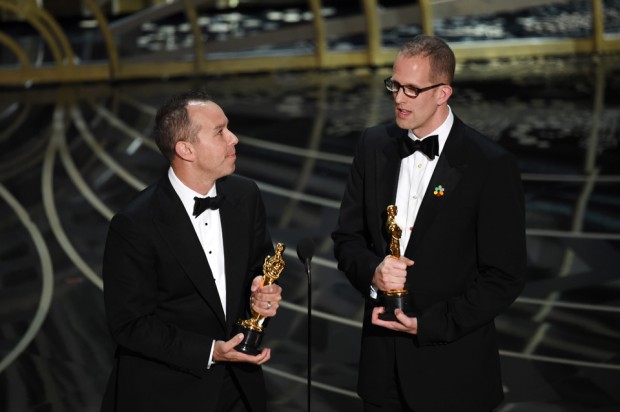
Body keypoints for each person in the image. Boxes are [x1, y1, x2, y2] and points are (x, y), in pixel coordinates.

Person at [332, 34, 526, 412]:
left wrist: (429, 325)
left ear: (442, 93)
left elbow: (504, 276)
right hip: (381, 371)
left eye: (412, 89)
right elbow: (347, 238)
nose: (399, 98)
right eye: (395, 85)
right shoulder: (373, 145)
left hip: (454, 376)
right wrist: (373, 273)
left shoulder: (488, 164)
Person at [100, 89, 282, 412]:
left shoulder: (246, 196)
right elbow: (131, 325)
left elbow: (262, 264)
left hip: (240, 388)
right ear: (186, 150)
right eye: (220, 132)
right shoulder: (135, 225)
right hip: (168, 395)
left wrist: (262, 291)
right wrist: (211, 351)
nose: (234, 139)